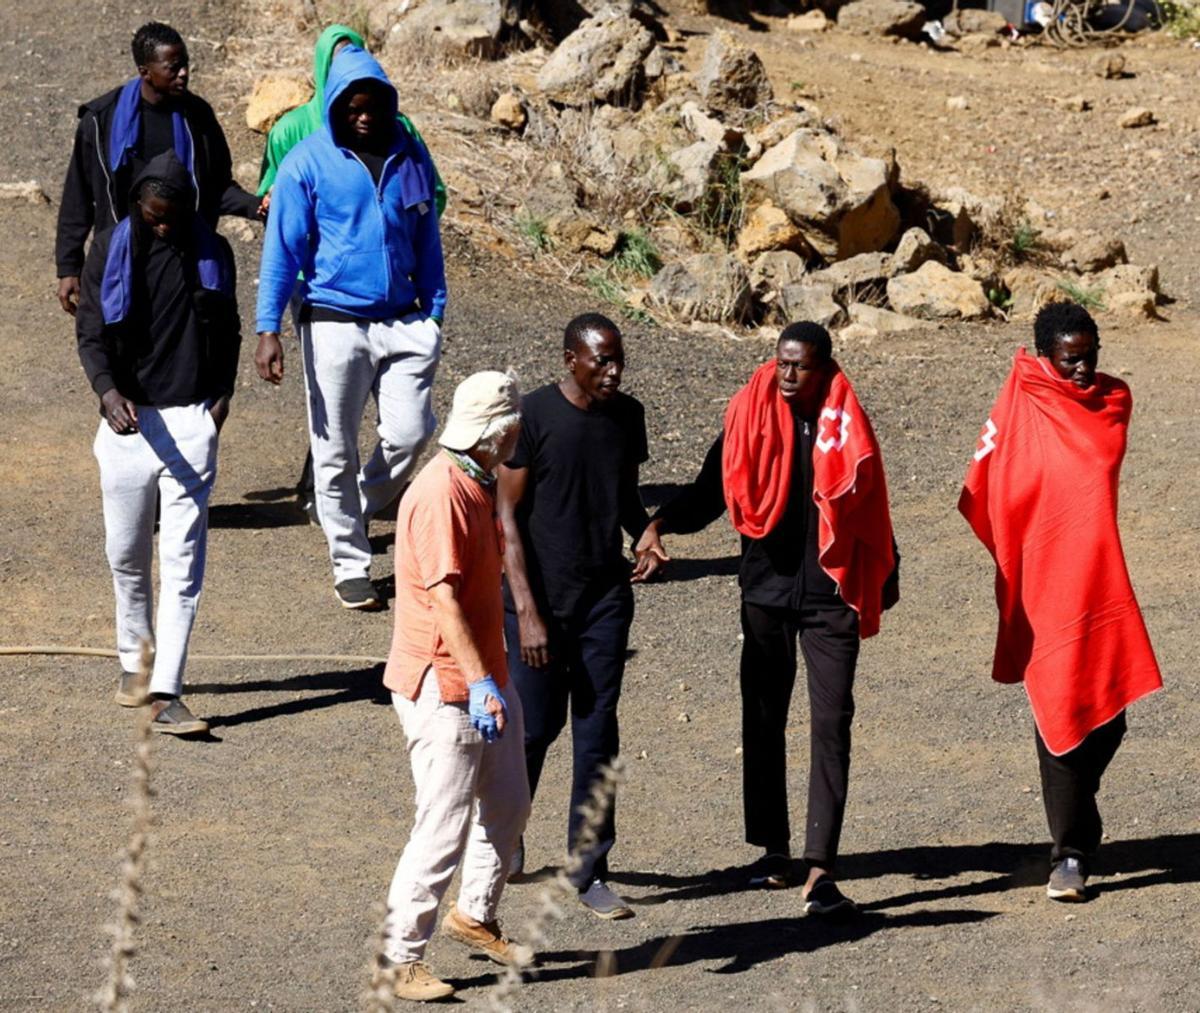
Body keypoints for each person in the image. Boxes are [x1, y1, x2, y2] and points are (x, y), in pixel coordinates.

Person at [640, 323, 898, 914]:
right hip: (766, 592)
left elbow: (870, 501)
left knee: (832, 722)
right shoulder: (750, 415)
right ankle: (775, 850)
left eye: (799, 366)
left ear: (824, 369)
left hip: (831, 596)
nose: (786, 375)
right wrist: (660, 523)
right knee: (762, 716)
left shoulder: (846, 423)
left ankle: (821, 865)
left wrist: (885, 574)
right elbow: (713, 487)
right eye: (781, 363)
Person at [959, 302, 1163, 903]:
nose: (1082, 370)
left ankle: (1076, 811)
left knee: (1112, 710)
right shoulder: (1022, 400)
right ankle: (1069, 855)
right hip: (1043, 577)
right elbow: (986, 479)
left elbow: (1092, 473)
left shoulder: (1112, 403)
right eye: (1070, 360)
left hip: (1100, 575)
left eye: (1090, 356)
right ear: (1047, 355)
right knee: (1059, 705)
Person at [254, 44, 446, 610]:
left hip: (405, 318)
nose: (363, 116)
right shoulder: (307, 163)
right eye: (352, 106)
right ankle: (349, 560)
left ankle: (350, 509)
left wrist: (434, 309)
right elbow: (281, 251)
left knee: (411, 434)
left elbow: (426, 234)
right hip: (333, 318)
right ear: (335, 105)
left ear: (390, 105)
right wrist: (269, 328)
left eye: (373, 106)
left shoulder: (409, 154)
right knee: (333, 446)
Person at [497, 313, 667, 920]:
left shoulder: (627, 417)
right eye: (601, 360)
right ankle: (501, 839)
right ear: (571, 359)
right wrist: (528, 613)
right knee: (535, 729)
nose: (613, 371)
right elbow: (506, 519)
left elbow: (624, 494)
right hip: (538, 603)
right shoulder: (532, 420)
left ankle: (588, 868)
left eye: (619, 359)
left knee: (598, 732)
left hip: (603, 602)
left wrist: (646, 535)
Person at [75, 150, 240, 736]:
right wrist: (106, 393)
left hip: (191, 422)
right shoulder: (111, 249)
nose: (164, 225)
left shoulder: (212, 254)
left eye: (173, 215)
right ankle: (134, 661)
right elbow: (91, 332)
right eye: (154, 215)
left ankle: (168, 689)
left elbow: (230, 331)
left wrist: (221, 399)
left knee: (183, 562)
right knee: (127, 556)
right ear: (139, 206)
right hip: (127, 426)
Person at [381, 371, 532, 1003]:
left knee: (508, 804)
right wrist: (477, 682)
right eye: (515, 423)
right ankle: (400, 957)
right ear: (497, 433)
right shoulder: (442, 492)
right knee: (441, 826)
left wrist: (489, 677)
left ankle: (475, 913)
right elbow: (443, 600)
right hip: (444, 684)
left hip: (481, 675)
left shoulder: (480, 477)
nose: (520, 431)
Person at [56, 21, 262, 317]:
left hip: (183, 260)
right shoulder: (101, 122)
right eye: (173, 67)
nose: (184, 74)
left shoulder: (198, 118)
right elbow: (78, 197)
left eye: (186, 64)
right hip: (123, 258)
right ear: (145, 71)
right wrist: (68, 267)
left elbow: (216, 187)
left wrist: (258, 206)